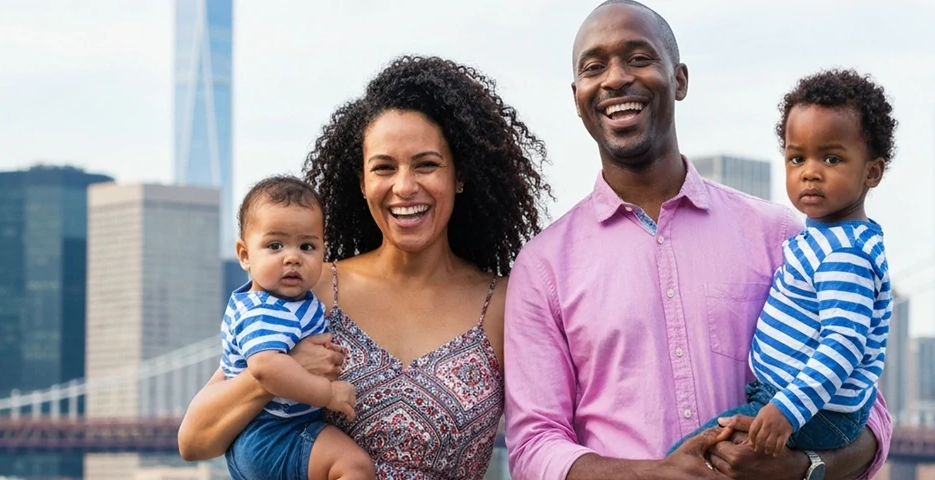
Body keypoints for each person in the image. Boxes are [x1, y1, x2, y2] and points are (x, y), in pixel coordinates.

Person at [503, 1, 892, 479]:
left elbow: (868, 411)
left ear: (680, 79)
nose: (615, 78)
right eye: (594, 67)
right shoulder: (542, 268)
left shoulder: (784, 238)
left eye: (639, 58)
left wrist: (801, 468)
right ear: (577, 95)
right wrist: (659, 475)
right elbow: (534, 447)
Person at [177, 55, 552, 479]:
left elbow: (547, 437)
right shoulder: (312, 288)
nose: (404, 187)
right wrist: (277, 374)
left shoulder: (504, 304)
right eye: (384, 168)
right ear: (362, 182)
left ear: (460, 175)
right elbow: (195, 439)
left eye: (426, 164)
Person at [667, 69, 897, 458]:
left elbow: (844, 344)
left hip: (811, 411)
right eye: (797, 158)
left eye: (832, 158)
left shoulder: (845, 255)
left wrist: (787, 411)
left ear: (871, 172)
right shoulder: (824, 238)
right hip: (797, 403)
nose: (810, 171)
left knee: (688, 456)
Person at [219, 175, 373, 480]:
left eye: (307, 246)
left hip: (283, 430)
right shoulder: (261, 310)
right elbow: (266, 368)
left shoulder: (296, 302)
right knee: (354, 468)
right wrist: (327, 394)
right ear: (245, 255)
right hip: (270, 433)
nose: (292, 257)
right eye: (275, 245)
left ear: (323, 252)